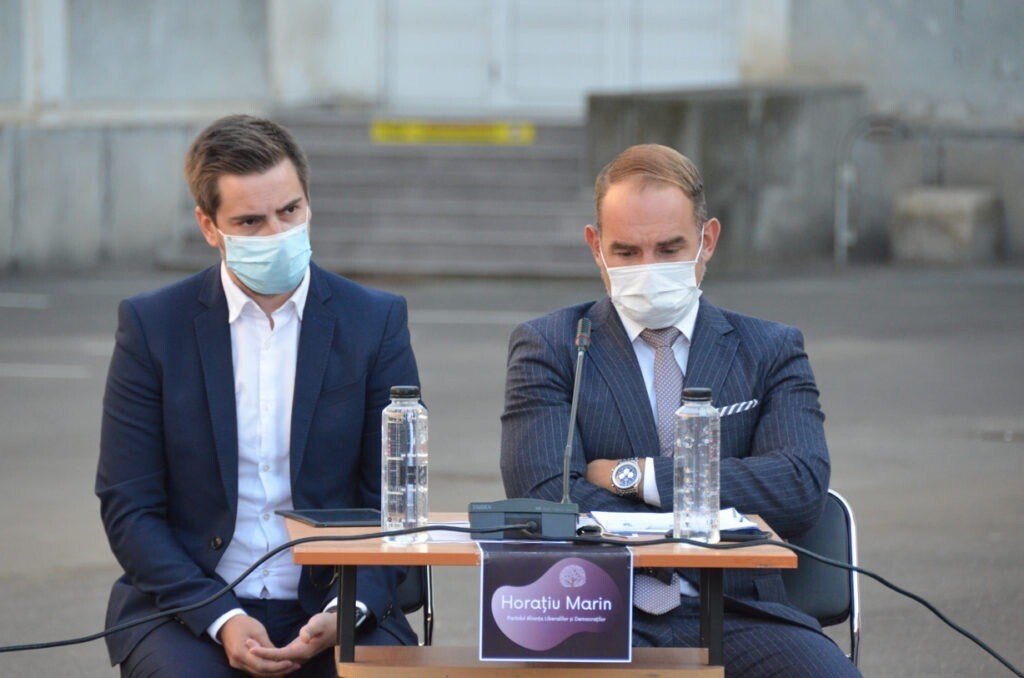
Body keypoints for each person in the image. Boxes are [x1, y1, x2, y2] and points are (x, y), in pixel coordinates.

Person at [500, 144, 860, 677]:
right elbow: (546, 495)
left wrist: (638, 477)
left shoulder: (770, 349)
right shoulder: (551, 346)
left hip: (738, 611)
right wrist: (711, 516)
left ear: (707, 240)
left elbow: (798, 487)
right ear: (596, 247)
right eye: (627, 252)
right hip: (591, 607)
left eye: (670, 249)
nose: (649, 270)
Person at [96, 115, 419, 677]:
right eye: (250, 221)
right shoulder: (153, 326)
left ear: (308, 203)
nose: (276, 233)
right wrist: (220, 617)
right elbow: (130, 504)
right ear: (208, 226)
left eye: (289, 211)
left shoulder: (374, 320)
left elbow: (395, 499)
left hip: (338, 599)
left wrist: (345, 610)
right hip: (190, 605)